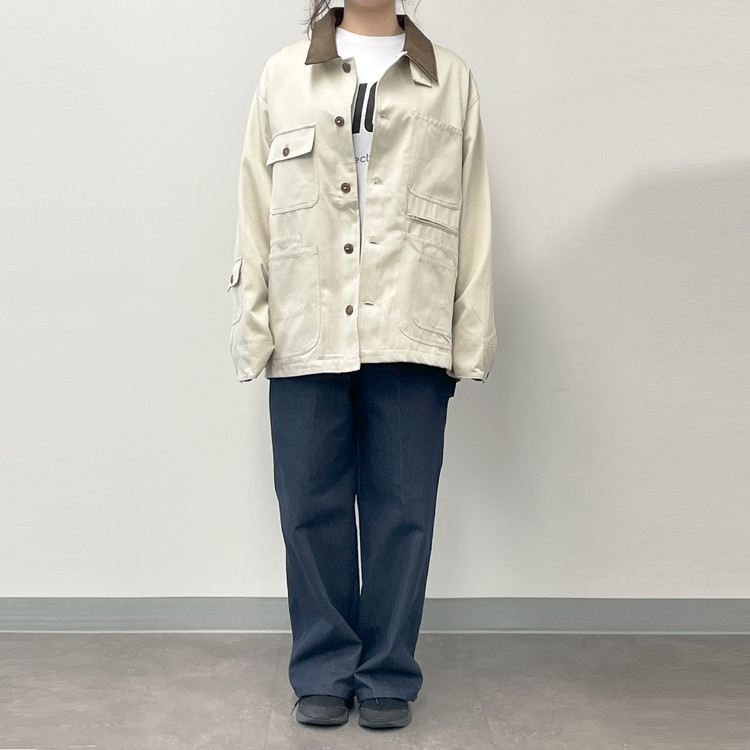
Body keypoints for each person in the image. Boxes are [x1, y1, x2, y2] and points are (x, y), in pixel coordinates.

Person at [227, 0, 496, 731]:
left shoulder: (451, 81)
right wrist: (254, 324)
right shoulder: (283, 74)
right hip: (307, 321)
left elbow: (474, 216)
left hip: (410, 322)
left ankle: (387, 672)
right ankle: (322, 667)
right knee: (307, 505)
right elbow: (254, 206)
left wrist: (469, 335)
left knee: (403, 509)